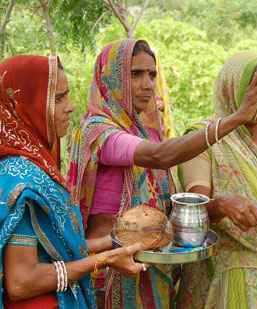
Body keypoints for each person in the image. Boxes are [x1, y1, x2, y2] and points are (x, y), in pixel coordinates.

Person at [67, 39, 257, 308]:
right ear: (111, 78)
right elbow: (159, 155)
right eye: (136, 74)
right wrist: (236, 118)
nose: (148, 84)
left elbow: (168, 206)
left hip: (151, 272)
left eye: (152, 74)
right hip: (110, 274)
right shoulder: (98, 132)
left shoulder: (145, 132)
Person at [0, 55, 147, 309]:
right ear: (25, 106)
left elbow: (51, 248)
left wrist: (111, 243)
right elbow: (21, 282)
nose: (70, 106)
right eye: (58, 99)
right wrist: (105, 259)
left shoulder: (32, 164)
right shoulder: (21, 180)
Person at [176, 51, 257, 308]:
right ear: (232, 89)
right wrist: (222, 205)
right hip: (232, 283)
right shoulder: (205, 139)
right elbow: (192, 211)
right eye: (255, 90)